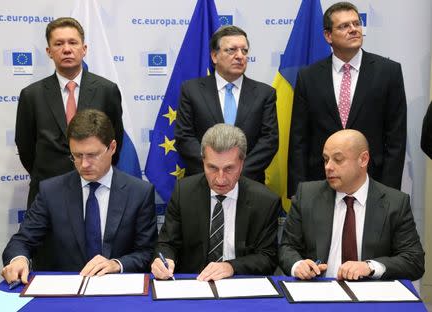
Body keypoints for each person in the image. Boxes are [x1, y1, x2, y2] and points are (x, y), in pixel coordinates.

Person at [2, 109, 157, 286]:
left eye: (92, 155)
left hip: (117, 290)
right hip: (66, 293)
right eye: (76, 155)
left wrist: (116, 264)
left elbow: (147, 252)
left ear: (112, 148)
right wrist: (18, 260)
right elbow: (22, 240)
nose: (84, 164)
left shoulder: (139, 192)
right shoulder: (51, 191)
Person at [287, 1, 406, 198]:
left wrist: (390, 191)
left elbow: (396, 139)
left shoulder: (389, 72)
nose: (353, 30)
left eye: (356, 24)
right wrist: (298, 191)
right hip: (320, 182)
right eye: (344, 26)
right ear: (328, 36)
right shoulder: (308, 77)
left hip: (373, 181)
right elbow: (299, 139)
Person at [279, 129, 424, 281]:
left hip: (369, 297)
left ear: (363, 159)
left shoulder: (395, 203)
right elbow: (287, 247)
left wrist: (370, 267)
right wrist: (298, 265)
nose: (328, 167)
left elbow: (414, 261)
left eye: (338, 159)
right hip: (319, 292)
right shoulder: (306, 195)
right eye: (326, 159)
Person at [15, 17, 124, 208]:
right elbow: (25, 147)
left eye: (73, 42)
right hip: (46, 192)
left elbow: (116, 141)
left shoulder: (107, 90)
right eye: (59, 43)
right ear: (49, 52)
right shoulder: (31, 95)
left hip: (95, 188)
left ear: (84, 49)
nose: (66, 49)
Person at [152, 124, 280, 281]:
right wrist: (164, 260)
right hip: (194, 285)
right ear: (203, 161)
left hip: (241, 286)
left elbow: (268, 258)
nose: (220, 178)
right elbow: (167, 244)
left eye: (229, 169)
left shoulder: (265, 201)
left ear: (242, 164)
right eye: (212, 168)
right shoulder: (183, 192)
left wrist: (231, 266)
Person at [175, 25, 278, 184]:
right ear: (214, 56)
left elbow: (269, 141)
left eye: (244, 51)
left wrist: (236, 173)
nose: (240, 56)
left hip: (248, 183)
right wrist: (214, 170)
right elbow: (184, 137)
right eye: (231, 50)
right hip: (202, 182)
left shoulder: (265, 93)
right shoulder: (191, 90)